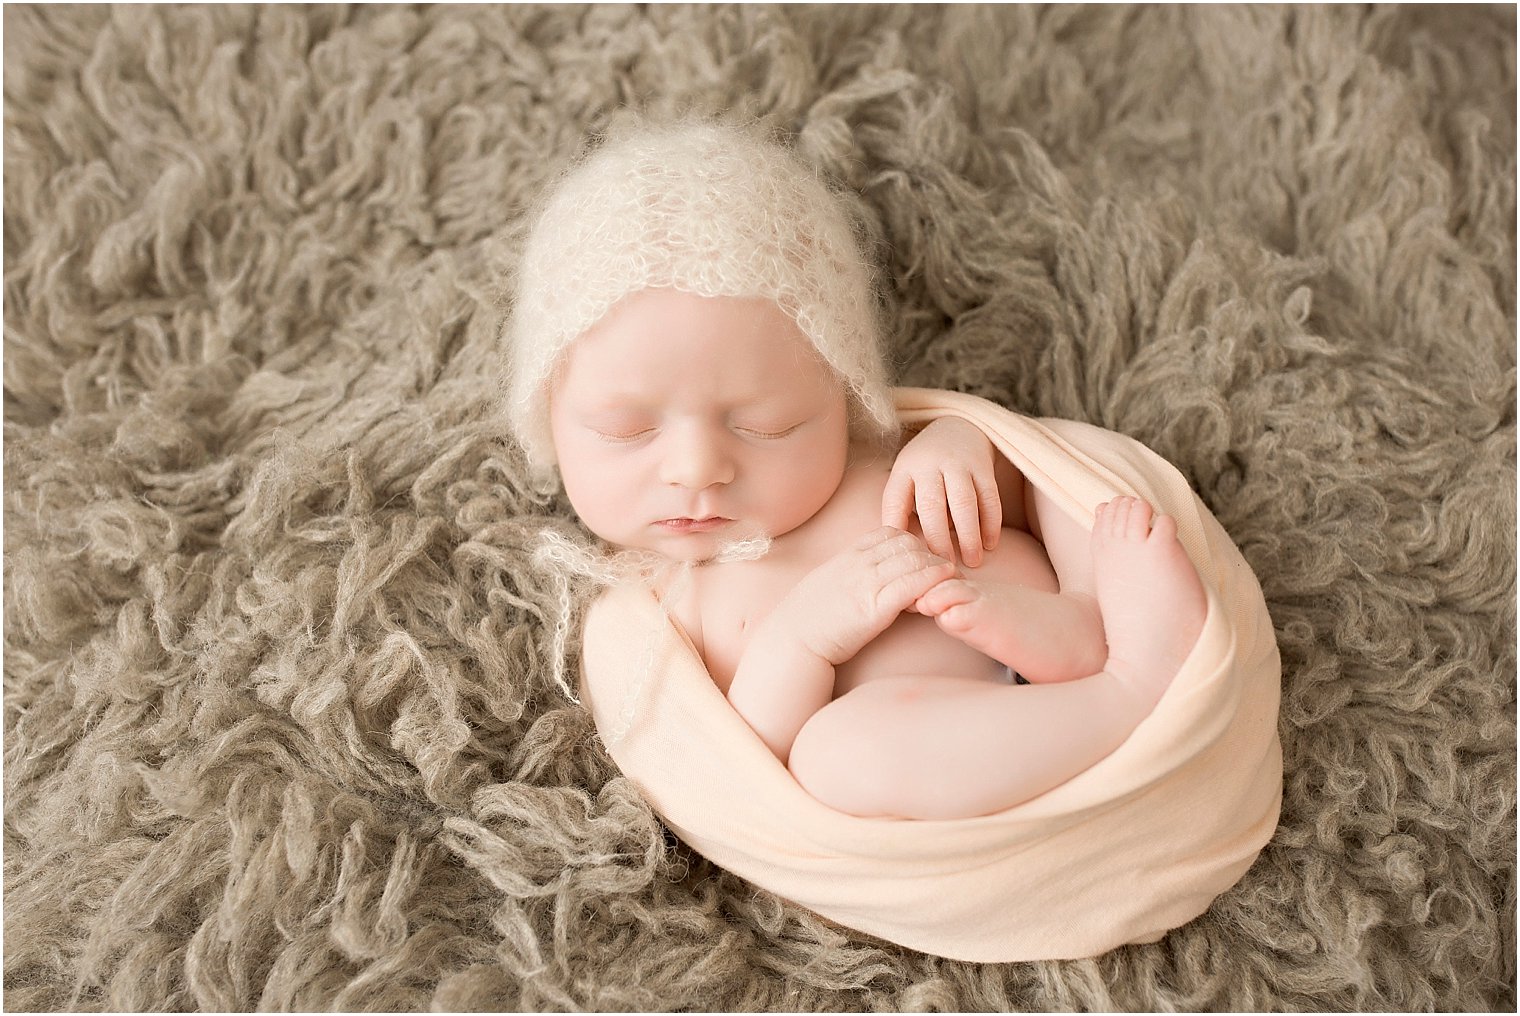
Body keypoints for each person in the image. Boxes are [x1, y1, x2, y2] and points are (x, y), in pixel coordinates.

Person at [506, 121, 1206, 820]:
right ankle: (1130, 692)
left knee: (1062, 462)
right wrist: (803, 637)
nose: (697, 468)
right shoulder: (651, 607)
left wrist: (961, 444)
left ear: (844, 398)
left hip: (1055, 612)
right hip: (946, 734)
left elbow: (1020, 477)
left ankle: (1088, 614)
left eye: (765, 424)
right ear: (552, 422)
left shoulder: (869, 458)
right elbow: (746, 771)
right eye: (625, 431)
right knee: (836, 759)